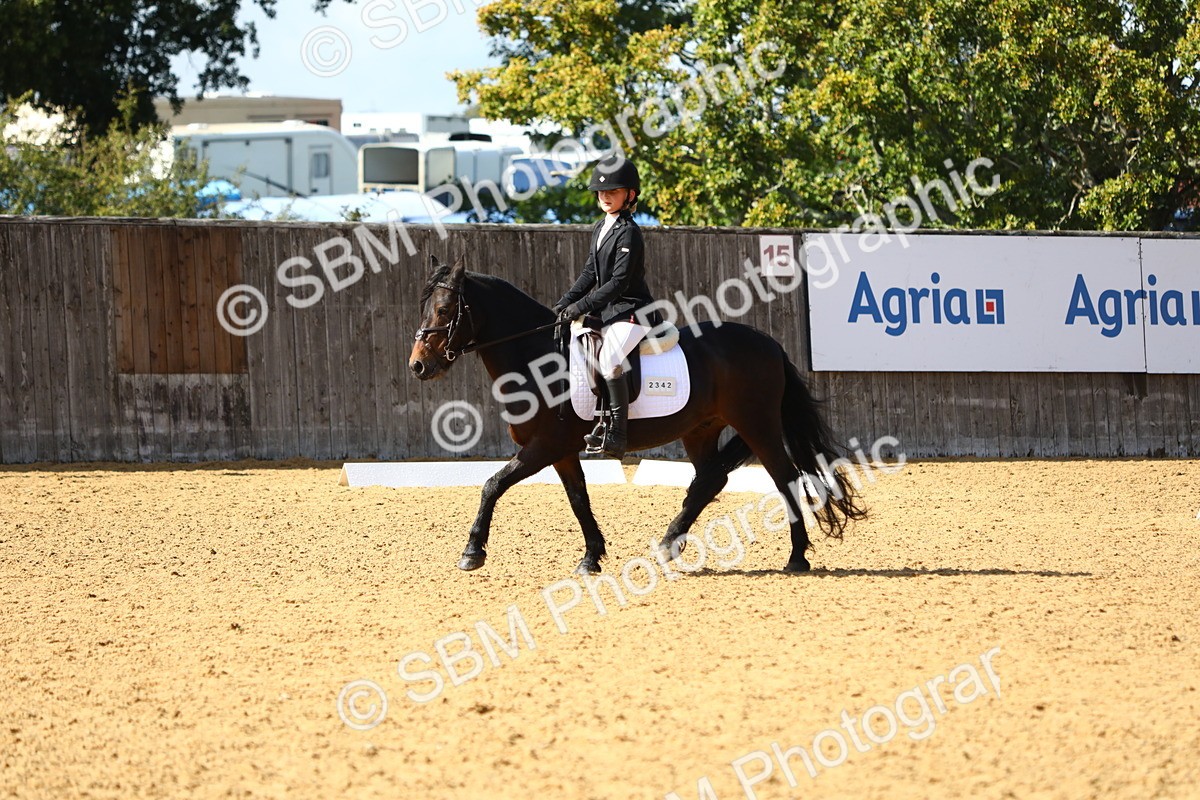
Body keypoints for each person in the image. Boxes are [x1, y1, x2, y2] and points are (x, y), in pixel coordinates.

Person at [553, 154, 656, 458]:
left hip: (633, 311)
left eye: (612, 191)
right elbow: (590, 273)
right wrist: (565, 302)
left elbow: (618, 283)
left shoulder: (629, 232)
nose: (605, 197)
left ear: (630, 195)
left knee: (610, 357)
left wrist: (582, 305)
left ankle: (618, 435)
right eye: (601, 192)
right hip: (609, 312)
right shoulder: (601, 228)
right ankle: (598, 419)